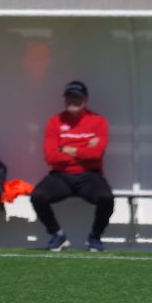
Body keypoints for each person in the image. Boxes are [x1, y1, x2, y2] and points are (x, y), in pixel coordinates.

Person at [29, 81, 112, 252]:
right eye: (69, 97)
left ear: (85, 100)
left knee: (106, 198)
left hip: (90, 175)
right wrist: (85, 148)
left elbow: (97, 154)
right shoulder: (55, 122)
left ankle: (95, 237)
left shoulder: (98, 121)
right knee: (38, 196)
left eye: (77, 97)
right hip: (61, 176)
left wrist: (67, 149)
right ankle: (57, 235)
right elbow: (51, 157)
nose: (72, 101)